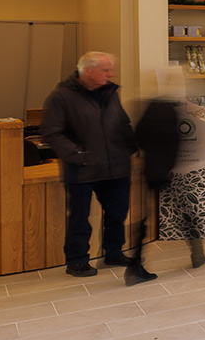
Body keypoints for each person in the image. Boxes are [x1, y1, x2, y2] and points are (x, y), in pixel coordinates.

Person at [40, 51, 154, 282]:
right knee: (80, 218)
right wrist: (79, 155)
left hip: (116, 166)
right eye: (105, 70)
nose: (110, 74)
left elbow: (122, 123)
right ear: (88, 71)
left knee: (117, 213)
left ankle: (113, 253)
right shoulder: (61, 96)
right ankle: (77, 261)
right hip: (81, 168)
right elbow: (51, 132)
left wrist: (133, 149)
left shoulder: (110, 93)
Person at [134, 68, 205, 270]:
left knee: (146, 215)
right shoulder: (170, 108)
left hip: (152, 167)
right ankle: (197, 253)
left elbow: (139, 135)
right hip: (168, 169)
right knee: (186, 212)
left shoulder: (151, 105)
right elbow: (175, 140)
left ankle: (136, 259)